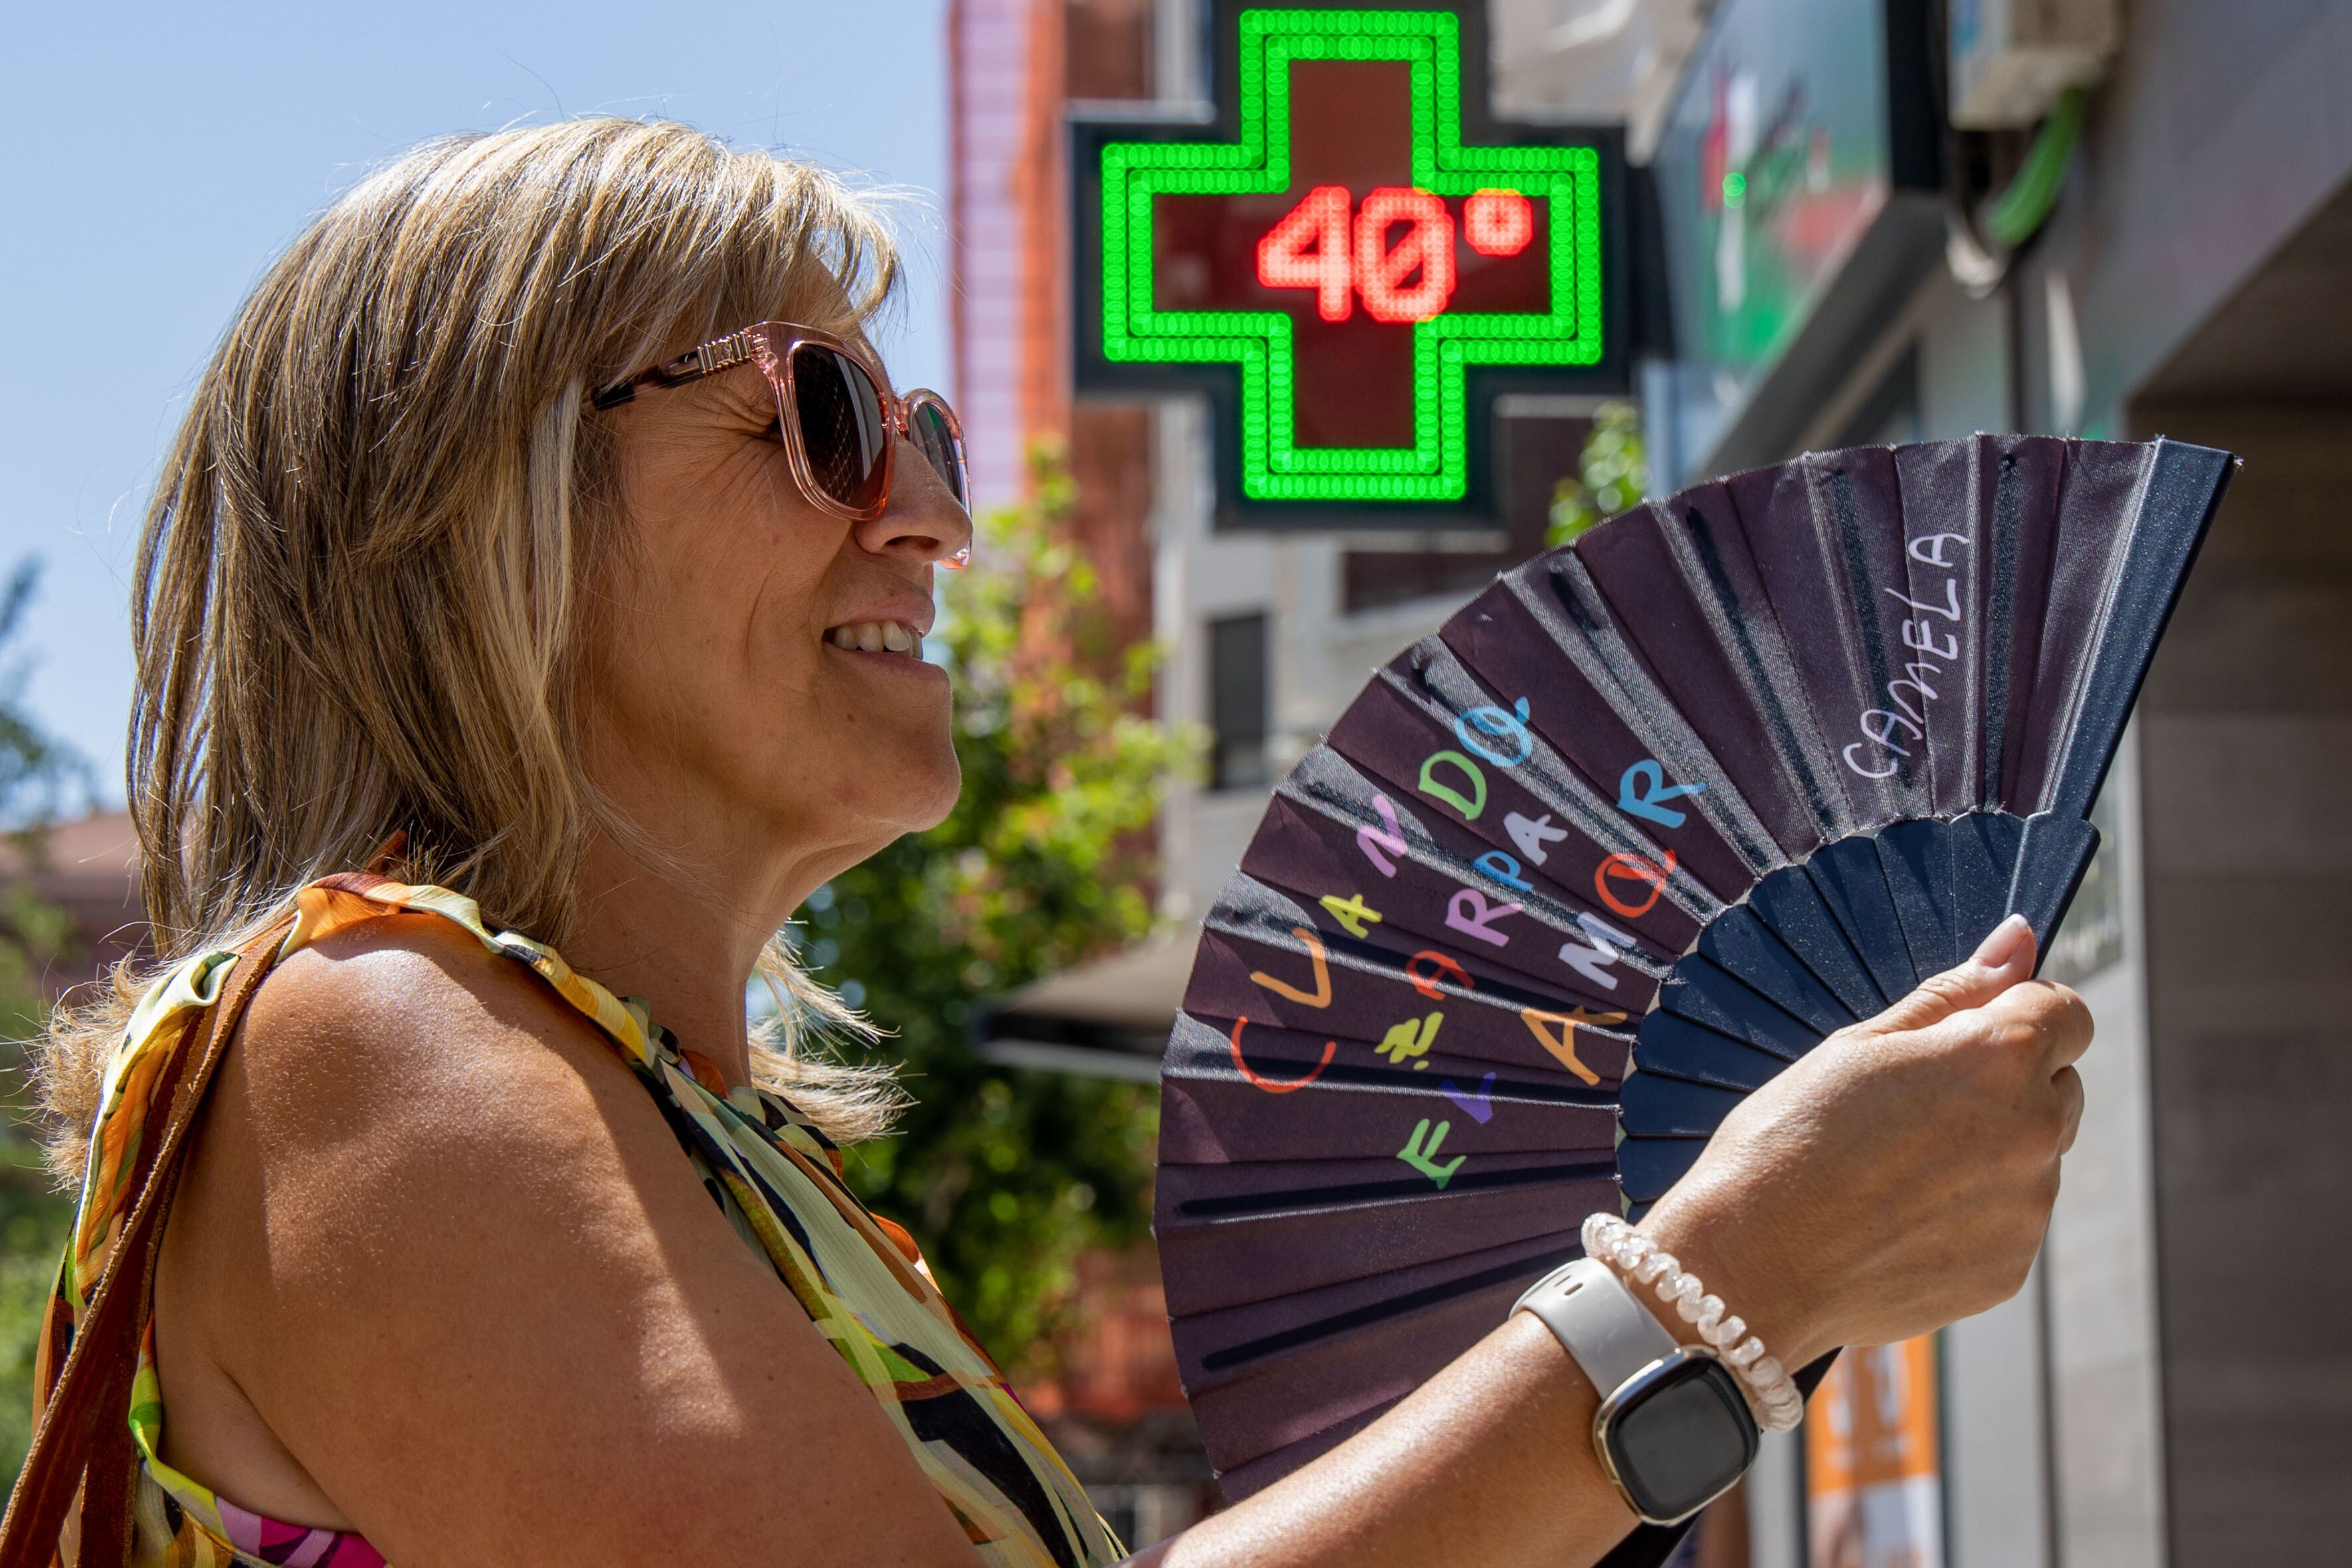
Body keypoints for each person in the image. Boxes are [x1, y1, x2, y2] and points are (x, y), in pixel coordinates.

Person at [25, 120, 2088, 1568]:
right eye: (823, 414)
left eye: (923, 438)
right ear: (485, 507)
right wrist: (1713, 1290)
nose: (930, 516)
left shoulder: (698, 1151)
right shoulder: (372, 1042)